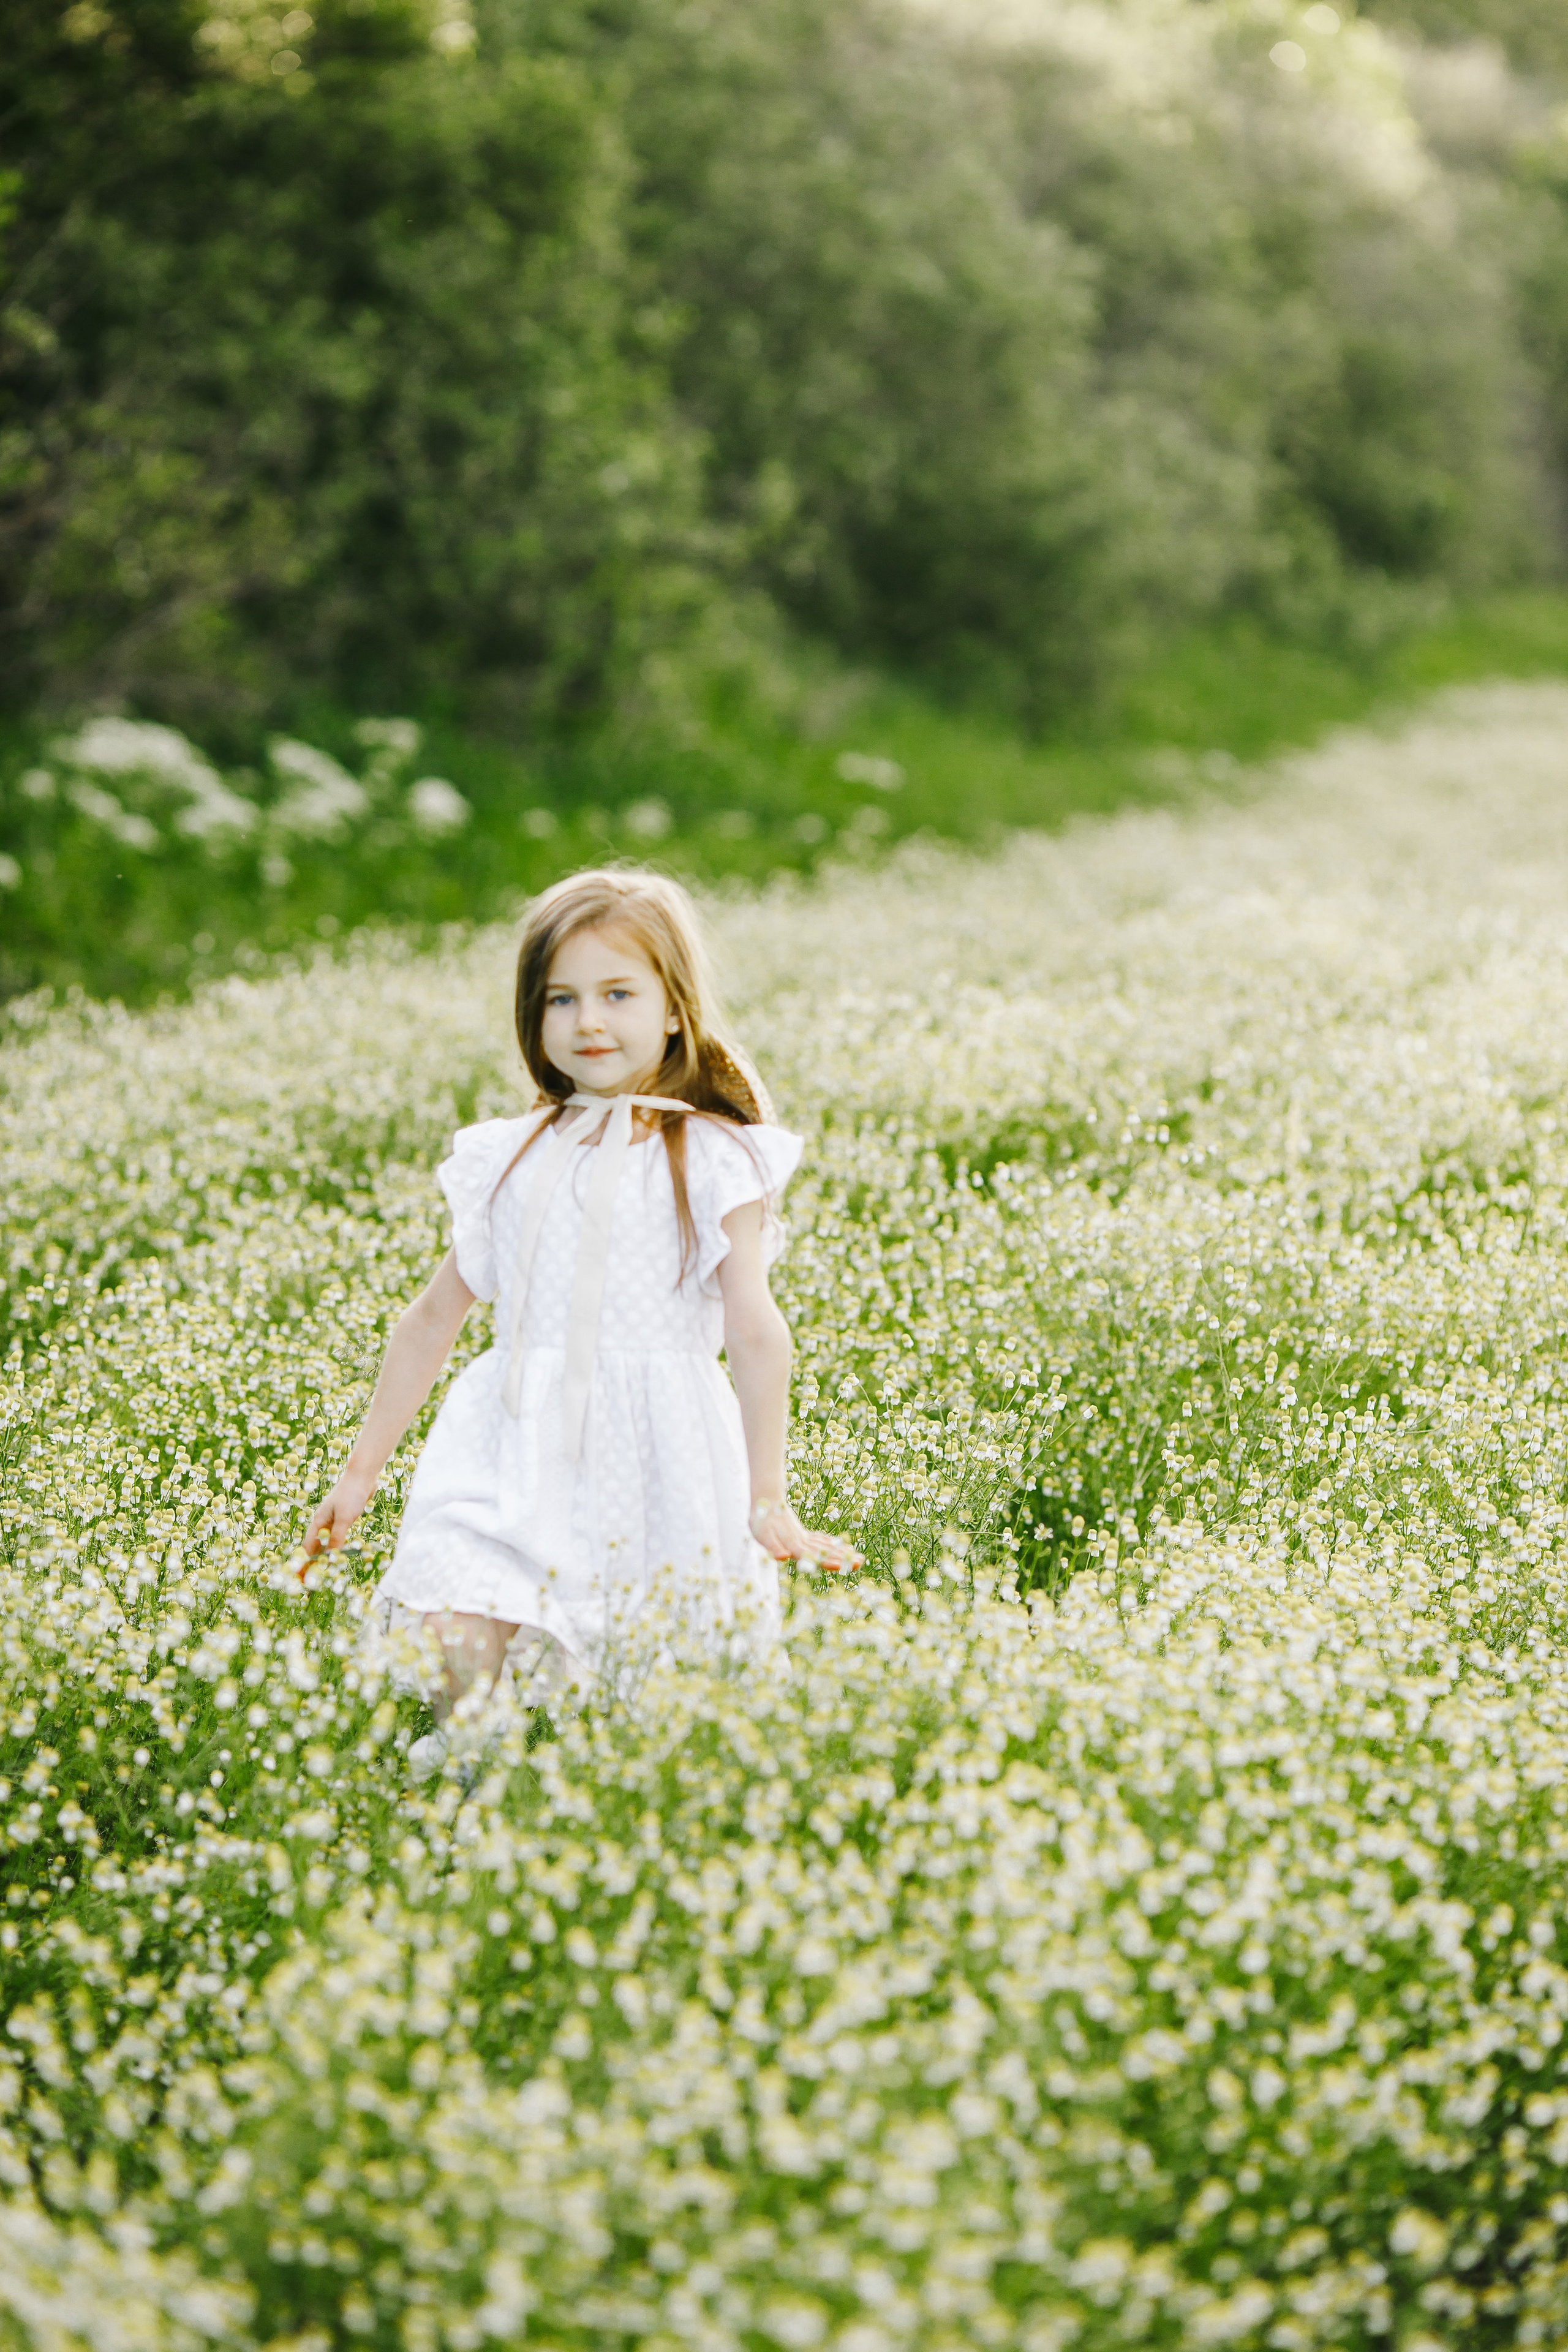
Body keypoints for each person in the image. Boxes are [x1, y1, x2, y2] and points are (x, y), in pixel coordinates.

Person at [303, 866, 858, 1773]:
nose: (588, 1021)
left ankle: (604, 1797)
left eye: (617, 994)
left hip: (659, 1447)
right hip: (510, 1436)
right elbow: (432, 1319)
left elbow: (756, 1330)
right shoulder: (509, 1155)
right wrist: (360, 1473)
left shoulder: (716, 1157)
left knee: (652, 1672)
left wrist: (767, 1494)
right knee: (454, 1611)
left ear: (674, 1009)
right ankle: (475, 1768)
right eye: (561, 999)